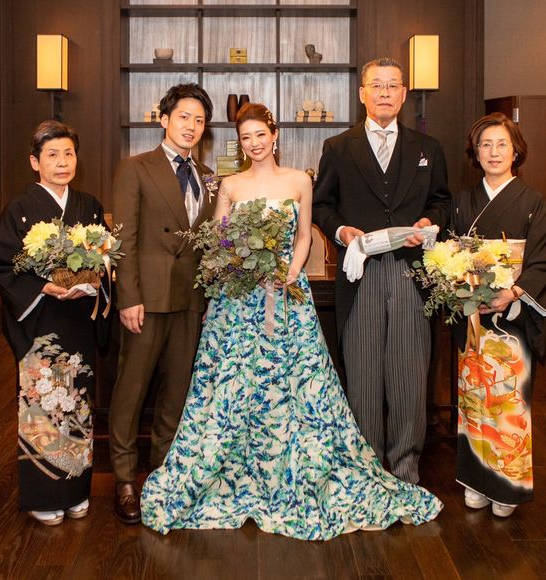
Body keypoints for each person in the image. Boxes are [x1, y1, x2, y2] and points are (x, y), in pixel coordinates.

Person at [140, 103, 442, 541]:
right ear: (239, 144)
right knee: (233, 387)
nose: (254, 143)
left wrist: (290, 272)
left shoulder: (300, 180)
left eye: (260, 135)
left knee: (301, 384)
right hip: (238, 301)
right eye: (246, 138)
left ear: (275, 135)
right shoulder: (230, 184)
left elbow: (304, 236)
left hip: (287, 295)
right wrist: (241, 266)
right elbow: (221, 240)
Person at [312, 57, 451, 484]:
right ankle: (366, 469)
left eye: (393, 85)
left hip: (412, 272)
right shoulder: (339, 147)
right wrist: (342, 232)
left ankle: (406, 468)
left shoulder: (428, 148)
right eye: (377, 85)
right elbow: (321, 205)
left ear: (404, 94)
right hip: (362, 272)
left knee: (410, 373)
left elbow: (442, 201)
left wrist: (429, 223)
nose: (385, 92)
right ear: (363, 93)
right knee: (363, 373)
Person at [0, 120, 106, 526]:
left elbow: (106, 258)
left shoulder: (89, 205)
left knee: (78, 405)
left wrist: (94, 279)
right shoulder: (19, 209)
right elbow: (0, 263)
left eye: (68, 153)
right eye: (52, 155)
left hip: (78, 319)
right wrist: (42, 286)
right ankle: (43, 494)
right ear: (35, 162)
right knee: (43, 404)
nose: (62, 162)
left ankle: (74, 489)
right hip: (40, 322)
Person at [109, 83, 216, 524]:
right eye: (184, 116)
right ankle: (124, 479)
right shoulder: (135, 168)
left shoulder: (209, 177)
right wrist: (129, 297)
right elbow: (125, 240)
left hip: (189, 300)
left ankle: (163, 475)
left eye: (199, 120)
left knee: (176, 394)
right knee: (131, 391)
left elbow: (208, 244)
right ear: (164, 119)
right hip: (147, 300)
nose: (191, 125)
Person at [452, 112, 546, 517]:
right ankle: (476, 480)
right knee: (474, 398)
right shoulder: (462, 201)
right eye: (485, 145)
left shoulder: (533, 202)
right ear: (476, 153)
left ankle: (506, 484)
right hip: (473, 315)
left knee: (509, 402)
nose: (493, 152)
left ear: (516, 151)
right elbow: (450, 253)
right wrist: (460, 285)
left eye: (501, 144)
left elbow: (540, 259)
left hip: (514, 318)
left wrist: (512, 292)